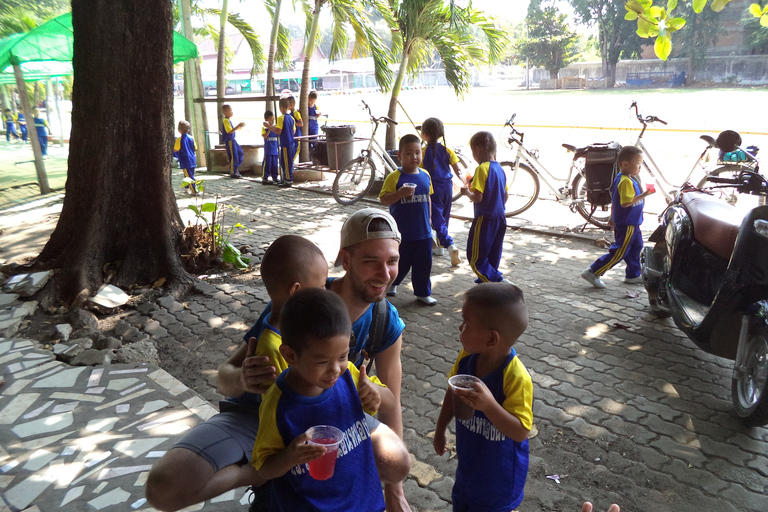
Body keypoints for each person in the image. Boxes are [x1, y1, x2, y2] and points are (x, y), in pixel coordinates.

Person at [244, 207, 413, 512]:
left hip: (341, 419)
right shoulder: (303, 304)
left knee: (396, 460)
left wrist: (394, 491)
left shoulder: (385, 321)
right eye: (371, 261)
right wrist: (240, 377)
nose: (385, 274)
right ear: (346, 260)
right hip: (279, 423)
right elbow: (230, 375)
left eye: (392, 261)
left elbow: (391, 399)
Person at [145, 235, 329, 512]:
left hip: (303, 421)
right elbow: (226, 376)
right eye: (323, 285)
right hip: (258, 420)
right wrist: (242, 379)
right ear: (296, 290)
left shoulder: (324, 317)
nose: (327, 292)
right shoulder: (274, 333)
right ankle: (257, 474)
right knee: (163, 487)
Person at [252, 288, 394, 512]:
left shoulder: (350, 375)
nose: (335, 370)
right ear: (290, 356)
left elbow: (391, 401)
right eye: (322, 362)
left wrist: (376, 393)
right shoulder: (279, 405)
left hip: (366, 503)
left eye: (343, 356)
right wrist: (290, 456)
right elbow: (262, 471)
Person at [433, 282, 533, 512]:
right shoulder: (467, 358)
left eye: (466, 324)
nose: (460, 327)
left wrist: (489, 406)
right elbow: (452, 392)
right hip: (469, 469)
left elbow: (521, 431)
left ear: (491, 339)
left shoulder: (516, 377)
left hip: (499, 483)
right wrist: (440, 429)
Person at [581, 146, 654, 289]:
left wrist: (612, 216)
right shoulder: (625, 181)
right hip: (627, 223)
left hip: (633, 223)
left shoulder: (626, 178)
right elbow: (626, 202)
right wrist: (644, 195)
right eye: (638, 163)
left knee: (637, 246)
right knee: (619, 252)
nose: (640, 167)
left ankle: (633, 274)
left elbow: (615, 200)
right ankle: (593, 271)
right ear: (625, 164)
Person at [379, 133, 437, 305]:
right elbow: (384, 199)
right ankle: (392, 284)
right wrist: (398, 194)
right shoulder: (395, 177)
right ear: (399, 155)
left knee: (424, 263)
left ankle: (422, 292)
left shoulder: (425, 175)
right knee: (401, 261)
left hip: (424, 231)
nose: (414, 157)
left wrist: (431, 219)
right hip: (402, 231)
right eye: (409, 153)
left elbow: (428, 197)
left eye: (418, 152)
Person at [461, 131, 509, 283]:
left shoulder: (482, 169)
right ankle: (487, 283)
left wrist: (467, 192)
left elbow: (478, 197)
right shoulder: (500, 169)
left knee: (476, 258)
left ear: (478, 150)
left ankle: (497, 282)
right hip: (500, 218)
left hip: (484, 219)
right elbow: (506, 196)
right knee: (493, 254)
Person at [421, 117, 463, 266]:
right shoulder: (447, 151)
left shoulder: (423, 152)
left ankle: (450, 245)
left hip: (433, 189)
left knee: (436, 220)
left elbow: (417, 172)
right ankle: (440, 248)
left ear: (424, 134)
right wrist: (466, 184)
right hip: (447, 188)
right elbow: (459, 171)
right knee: (444, 218)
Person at [263, 97, 295, 188]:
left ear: (280, 107)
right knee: (287, 161)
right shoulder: (291, 118)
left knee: (286, 162)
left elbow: (278, 131)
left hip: (285, 143)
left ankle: (288, 180)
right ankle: (286, 178)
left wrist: (269, 127)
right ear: (289, 106)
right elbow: (293, 131)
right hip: (291, 142)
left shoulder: (281, 118)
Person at [221, 104, 245, 178]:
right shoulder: (225, 120)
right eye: (230, 111)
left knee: (240, 153)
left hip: (233, 140)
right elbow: (229, 131)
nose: (232, 112)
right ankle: (233, 172)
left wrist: (239, 127)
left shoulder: (228, 120)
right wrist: (238, 126)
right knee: (233, 156)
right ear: (225, 112)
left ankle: (234, 168)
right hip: (229, 140)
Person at [174, 120, 197, 195]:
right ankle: (186, 188)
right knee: (188, 174)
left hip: (185, 160)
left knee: (189, 176)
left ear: (179, 130)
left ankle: (194, 190)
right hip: (192, 159)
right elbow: (195, 148)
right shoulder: (191, 138)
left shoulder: (178, 139)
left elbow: (176, 149)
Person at [261, 110, 280, 185]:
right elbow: (265, 136)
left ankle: (275, 177)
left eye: (273, 120)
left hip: (275, 150)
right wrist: (269, 128)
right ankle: (265, 178)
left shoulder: (275, 128)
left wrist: (273, 128)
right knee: (267, 164)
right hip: (268, 150)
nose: (272, 121)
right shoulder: (264, 128)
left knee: (275, 164)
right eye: (270, 120)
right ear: (266, 120)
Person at [288, 96, 302, 161]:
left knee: (296, 149)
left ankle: (292, 163)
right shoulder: (289, 114)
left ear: (291, 105)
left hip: (297, 135)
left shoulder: (296, 113)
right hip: (292, 135)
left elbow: (301, 124)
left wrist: (293, 124)